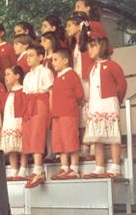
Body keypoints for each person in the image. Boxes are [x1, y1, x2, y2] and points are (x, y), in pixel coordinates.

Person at [83, 34, 127, 179]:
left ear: (102, 47)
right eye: (89, 46)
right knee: (97, 137)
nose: (90, 49)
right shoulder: (91, 68)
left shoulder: (113, 65)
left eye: (93, 46)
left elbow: (122, 84)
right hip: (95, 103)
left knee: (113, 135)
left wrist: (116, 99)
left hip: (109, 102)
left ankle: (115, 166)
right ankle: (99, 166)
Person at [22, 45, 54, 188]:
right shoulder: (27, 75)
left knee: (37, 133)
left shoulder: (45, 71)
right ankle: (35, 168)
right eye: (27, 55)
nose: (28, 58)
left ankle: (38, 169)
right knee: (29, 134)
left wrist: (52, 108)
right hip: (29, 104)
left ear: (40, 57)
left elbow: (51, 91)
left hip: (41, 102)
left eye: (31, 55)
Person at [50, 49, 84, 180]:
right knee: (59, 141)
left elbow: (79, 94)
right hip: (57, 114)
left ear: (65, 60)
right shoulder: (57, 76)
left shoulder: (71, 74)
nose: (53, 62)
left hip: (68, 113)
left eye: (56, 59)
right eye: (52, 60)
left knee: (70, 139)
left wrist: (72, 105)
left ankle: (74, 168)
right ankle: (64, 167)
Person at [66, 12, 94, 160]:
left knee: (89, 110)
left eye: (70, 25)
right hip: (76, 80)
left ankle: (93, 146)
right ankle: (84, 146)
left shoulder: (88, 40)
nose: (67, 28)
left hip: (87, 79)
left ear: (78, 26)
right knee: (81, 113)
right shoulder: (73, 45)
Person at [1, 66, 27, 181]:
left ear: (17, 76)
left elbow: (25, 107)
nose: (6, 77)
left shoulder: (23, 90)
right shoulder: (9, 92)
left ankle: (23, 168)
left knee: (22, 146)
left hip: (19, 120)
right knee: (12, 147)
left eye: (9, 74)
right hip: (9, 121)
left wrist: (23, 122)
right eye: (5, 74)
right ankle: (13, 169)